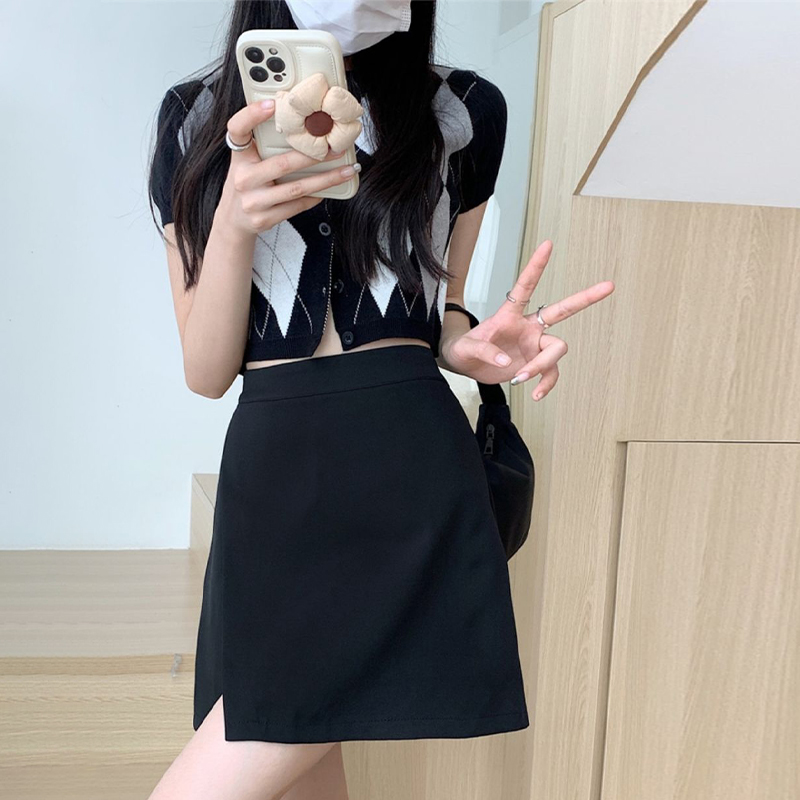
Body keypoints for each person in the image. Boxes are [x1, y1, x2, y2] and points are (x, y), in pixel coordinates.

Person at [146, 1, 614, 797]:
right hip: (273, 481)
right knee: (294, 767)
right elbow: (206, 370)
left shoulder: (464, 110)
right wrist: (232, 224)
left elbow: (444, 309)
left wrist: (467, 343)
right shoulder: (194, 119)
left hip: (407, 468)